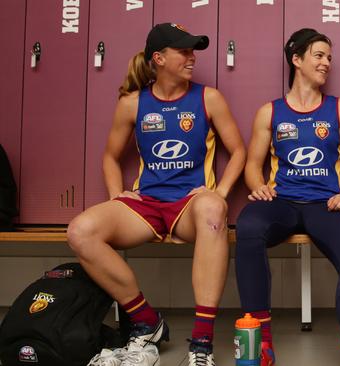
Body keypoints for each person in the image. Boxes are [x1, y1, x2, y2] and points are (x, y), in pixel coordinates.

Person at [66, 23, 246, 366]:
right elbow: (110, 156)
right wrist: (118, 193)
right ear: (159, 59)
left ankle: (202, 343)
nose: (192, 57)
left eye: (194, 51)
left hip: (189, 206)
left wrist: (219, 192)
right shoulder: (133, 103)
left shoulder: (209, 98)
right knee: (80, 231)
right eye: (184, 51)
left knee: (212, 210)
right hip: (146, 204)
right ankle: (146, 320)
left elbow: (238, 150)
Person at [235, 28, 340, 366]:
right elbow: (253, 165)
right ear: (296, 60)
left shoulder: (339, 109)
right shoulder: (269, 112)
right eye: (319, 55)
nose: (327, 63)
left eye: (329, 57)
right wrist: (258, 186)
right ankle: (261, 343)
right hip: (281, 203)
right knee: (248, 228)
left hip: (326, 204)